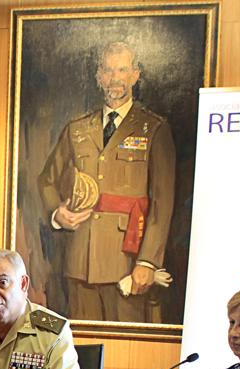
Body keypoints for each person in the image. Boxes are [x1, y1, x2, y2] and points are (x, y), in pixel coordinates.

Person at [37, 41, 176, 322]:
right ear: (99, 76)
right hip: (80, 261)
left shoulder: (154, 129)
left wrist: (148, 261)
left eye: (122, 70)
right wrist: (57, 214)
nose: (115, 78)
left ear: (135, 75)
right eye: (109, 70)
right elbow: (46, 181)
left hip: (126, 262)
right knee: (82, 350)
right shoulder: (76, 128)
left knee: (126, 351)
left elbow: (163, 202)